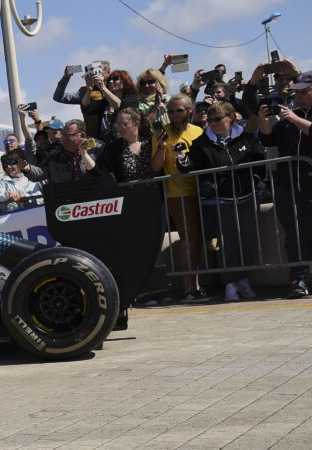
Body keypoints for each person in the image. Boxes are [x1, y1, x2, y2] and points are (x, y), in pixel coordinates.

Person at [175, 101, 266, 302]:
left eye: (217, 119)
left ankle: (243, 278)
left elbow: (260, 163)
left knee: (248, 240)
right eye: (210, 120)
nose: (212, 123)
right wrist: (180, 156)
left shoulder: (247, 138)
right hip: (221, 200)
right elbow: (189, 166)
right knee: (227, 243)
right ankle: (230, 284)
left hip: (247, 198)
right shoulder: (201, 143)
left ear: (230, 117)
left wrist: (254, 181)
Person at [258, 69, 312, 297]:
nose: (299, 97)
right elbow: (268, 139)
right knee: (293, 235)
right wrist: (264, 121)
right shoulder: (290, 116)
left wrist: (294, 118)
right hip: (288, 186)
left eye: (305, 92)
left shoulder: (296, 117)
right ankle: (298, 280)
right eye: (297, 93)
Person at [151, 93, 207, 302]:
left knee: (198, 240)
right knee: (189, 239)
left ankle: (197, 285)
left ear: (190, 110)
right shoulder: (160, 134)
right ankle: (188, 289)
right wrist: (163, 147)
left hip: (201, 191)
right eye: (171, 111)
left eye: (179, 110)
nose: (174, 115)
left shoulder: (199, 131)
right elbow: (156, 167)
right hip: (178, 193)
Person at [23, 120, 102, 184]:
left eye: (68, 135)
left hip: (97, 201)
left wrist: (84, 154)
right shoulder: (54, 155)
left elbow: (103, 175)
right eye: (63, 135)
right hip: (66, 200)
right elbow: (40, 173)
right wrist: (27, 169)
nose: (63, 139)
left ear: (82, 135)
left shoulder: (98, 149)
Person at [88, 108, 153, 181]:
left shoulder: (151, 142)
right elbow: (99, 171)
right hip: (128, 191)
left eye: (124, 124)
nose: (120, 128)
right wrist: (84, 154)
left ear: (136, 123)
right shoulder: (113, 148)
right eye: (118, 124)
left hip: (156, 190)